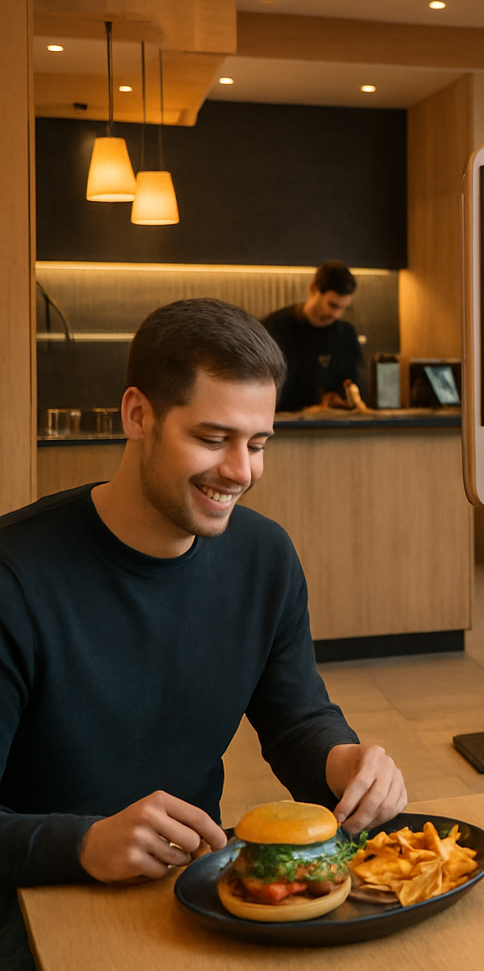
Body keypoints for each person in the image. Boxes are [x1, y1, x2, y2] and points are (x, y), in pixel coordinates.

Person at [0, 299, 407, 971]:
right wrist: (84, 844)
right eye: (214, 439)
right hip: (34, 901)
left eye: (258, 443)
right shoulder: (17, 577)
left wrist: (345, 761)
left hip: (189, 890)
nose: (241, 471)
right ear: (138, 415)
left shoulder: (265, 557)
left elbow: (295, 717)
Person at [261, 261, 367, 412]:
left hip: (327, 429)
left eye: (343, 308)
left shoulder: (346, 335)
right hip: (280, 426)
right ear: (313, 290)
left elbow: (355, 384)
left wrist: (338, 398)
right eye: (332, 305)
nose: (336, 314)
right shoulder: (274, 328)